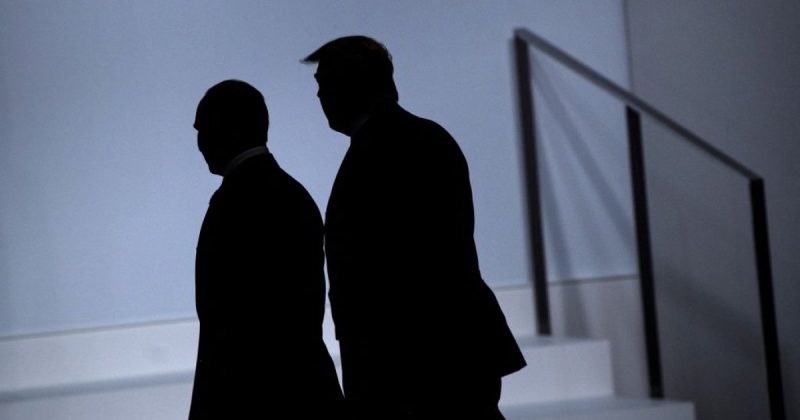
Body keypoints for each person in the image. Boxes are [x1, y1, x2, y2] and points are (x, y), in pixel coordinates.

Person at [303, 36, 526, 419]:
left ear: (351, 85)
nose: (319, 96)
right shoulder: (424, 138)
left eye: (325, 83)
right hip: (444, 352)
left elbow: (395, 268)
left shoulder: (378, 151)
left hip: (413, 363)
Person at [189, 80, 343, 419]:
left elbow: (229, 321)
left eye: (204, 129)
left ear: (231, 129)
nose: (199, 143)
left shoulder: (234, 201)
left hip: (253, 394)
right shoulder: (292, 193)